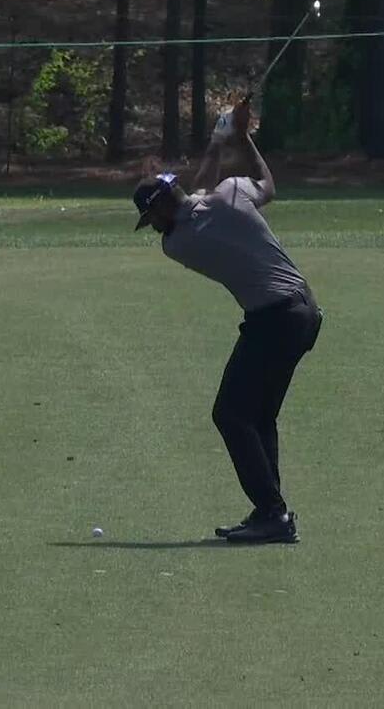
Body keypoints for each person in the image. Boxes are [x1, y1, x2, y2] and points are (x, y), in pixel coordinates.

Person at [132, 97, 323, 545]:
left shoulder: (177, 244)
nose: (152, 228)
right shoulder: (234, 195)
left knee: (230, 414)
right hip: (304, 312)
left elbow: (196, 195)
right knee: (257, 416)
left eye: (150, 218)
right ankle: (272, 514)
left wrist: (221, 144)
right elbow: (264, 184)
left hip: (273, 320)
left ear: (160, 210)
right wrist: (240, 139)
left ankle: (272, 513)